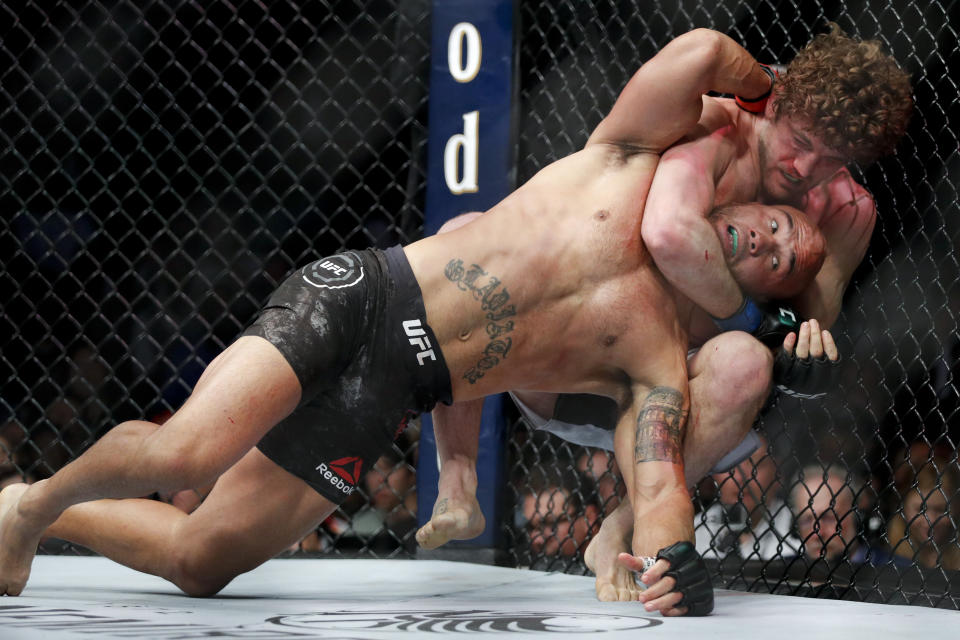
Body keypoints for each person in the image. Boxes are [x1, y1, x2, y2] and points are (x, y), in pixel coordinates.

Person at [0, 29, 826, 617]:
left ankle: (18, 503)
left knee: (200, 559)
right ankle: (37, 515)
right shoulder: (629, 159)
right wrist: (765, 92)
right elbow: (700, 51)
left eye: (781, 256)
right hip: (361, 297)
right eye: (774, 221)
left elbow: (658, 481)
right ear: (745, 196)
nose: (766, 238)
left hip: (394, 387)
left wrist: (674, 564)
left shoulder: (652, 364)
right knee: (186, 451)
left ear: (751, 296)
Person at [417, 23, 912, 603]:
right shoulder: (714, 125)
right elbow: (668, 229)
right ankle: (458, 478)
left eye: (832, 160)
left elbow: (806, 331)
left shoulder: (847, 211)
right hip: (569, 354)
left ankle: (621, 527)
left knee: (746, 363)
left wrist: (805, 355)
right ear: (779, 106)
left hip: (678, 391)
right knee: (462, 238)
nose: (805, 168)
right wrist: (747, 316)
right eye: (801, 141)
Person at [694, 434, 799, 561]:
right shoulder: (696, 529)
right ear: (714, 475)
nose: (740, 478)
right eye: (729, 465)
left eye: (755, 464)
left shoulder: (798, 527)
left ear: (778, 473)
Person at [790, 464, 901, 566]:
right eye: (806, 520)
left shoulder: (897, 572)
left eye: (829, 518)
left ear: (859, 519)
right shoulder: (782, 571)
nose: (817, 534)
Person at [887, 445, 960, 570]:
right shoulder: (883, 558)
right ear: (902, 507)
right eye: (920, 510)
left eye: (941, 510)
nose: (930, 521)